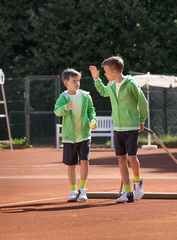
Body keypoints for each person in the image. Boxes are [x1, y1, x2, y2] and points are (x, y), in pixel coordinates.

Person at [89, 56, 148, 203]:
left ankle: (138, 182)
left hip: (132, 127)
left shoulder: (131, 85)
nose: (105, 74)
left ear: (114, 71)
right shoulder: (110, 85)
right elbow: (103, 92)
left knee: (132, 158)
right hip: (118, 128)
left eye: (106, 72)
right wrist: (96, 79)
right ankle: (127, 192)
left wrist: (142, 120)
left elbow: (143, 103)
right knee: (121, 159)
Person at [54, 68, 97, 202]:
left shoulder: (86, 96)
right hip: (69, 138)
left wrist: (93, 120)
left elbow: (91, 111)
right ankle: (73, 191)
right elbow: (57, 111)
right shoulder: (63, 97)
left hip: (84, 135)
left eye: (78, 80)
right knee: (71, 165)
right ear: (66, 83)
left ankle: (83, 190)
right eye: (74, 81)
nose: (77, 83)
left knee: (84, 161)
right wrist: (65, 108)